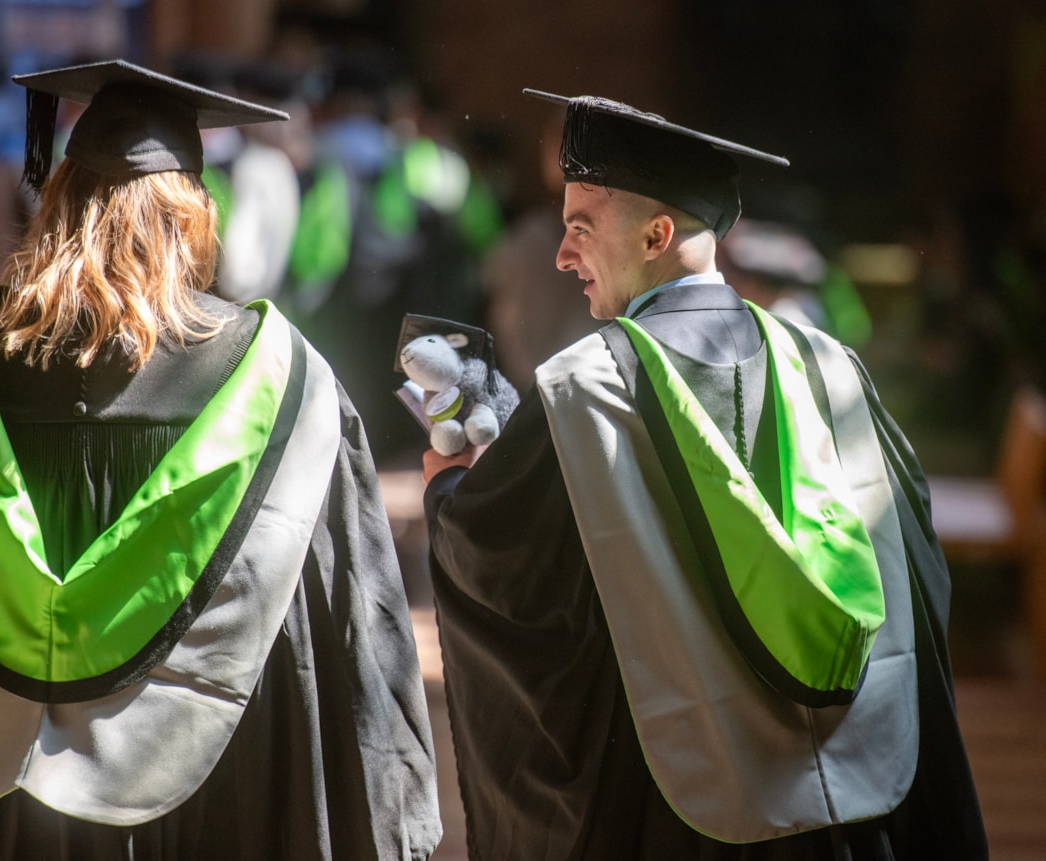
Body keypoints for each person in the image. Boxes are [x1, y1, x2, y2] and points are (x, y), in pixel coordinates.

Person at [0, 59, 441, 860]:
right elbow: (348, 624)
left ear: (54, 200)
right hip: (213, 779)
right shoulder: (279, 376)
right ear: (195, 213)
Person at [421, 89, 987, 859]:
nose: (561, 256)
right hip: (859, 808)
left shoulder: (582, 389)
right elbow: (918, 577)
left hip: (675, 817)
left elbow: (505, 576)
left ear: (657, 233)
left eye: (579, 229)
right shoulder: (830, 368)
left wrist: (453, 487)